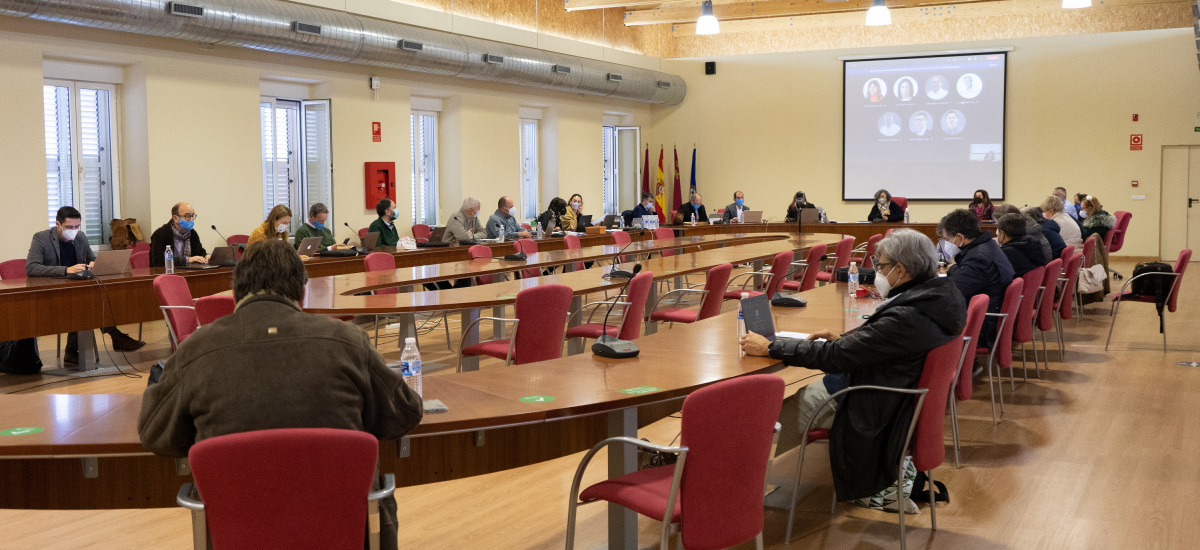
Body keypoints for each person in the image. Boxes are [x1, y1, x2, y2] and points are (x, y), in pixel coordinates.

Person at [137, 238, 422, 550]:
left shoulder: (197, 349)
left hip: (236, 531)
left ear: (236, 292)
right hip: (342, 530)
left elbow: (155, 433)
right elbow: (404, 413)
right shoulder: (346, 339)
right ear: (302, 291)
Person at [740, 229, 965, 500]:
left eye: (881, 267)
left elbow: (834, 358)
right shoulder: (937, 297)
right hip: (888, 393)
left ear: (901, 270)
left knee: (767, 415)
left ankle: (736, 487)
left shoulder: (908, 316)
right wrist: (857, 343)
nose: (877, 273)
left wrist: (771, 348)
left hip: (868, 403)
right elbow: (886, 346)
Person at [26, 206, 146, 363]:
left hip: (77, 288)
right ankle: (113, 337)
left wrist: (93, 264)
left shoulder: (80, 237)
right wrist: (66, 270)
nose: (74, 230)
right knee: (83, 304)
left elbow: (91, 258)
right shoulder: (42, 238)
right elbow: (32, 268)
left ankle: (75, 351)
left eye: (77, 226)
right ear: (58, 224)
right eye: (69, 227)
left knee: (91, 299)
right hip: (52, 292)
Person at [939, 209, 1014, 349]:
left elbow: (952, 292)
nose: (946, 243)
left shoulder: (978, 258)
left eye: (947, 239)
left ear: (960, 237)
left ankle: (964, 365)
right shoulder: (988, 246)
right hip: (988, 316)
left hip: (982, 328)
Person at [149, 202, 207, 268]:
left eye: (193, 215)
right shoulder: (160, 234)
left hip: (188, 273)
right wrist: (187, 260)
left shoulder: (192, 234)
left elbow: (200, 252)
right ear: (175, 218)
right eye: (187, 216)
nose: (191, 219)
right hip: (165, 274)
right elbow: (159, 262)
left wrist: (206, 256)